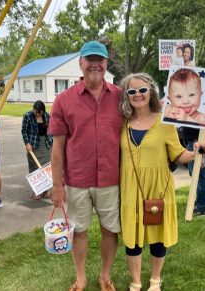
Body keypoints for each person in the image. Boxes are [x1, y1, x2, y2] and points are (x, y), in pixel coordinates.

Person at [119, 72, 205, 291]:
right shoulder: (121, 122)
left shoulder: (165, 121)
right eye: (132, 91)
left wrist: (197, 152)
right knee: (132, 237)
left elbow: (178, 155)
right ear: (126, 95)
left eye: (143, 89)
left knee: (157, 237)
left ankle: (154, 280)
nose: (138, 94)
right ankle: (135, 282)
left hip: (158, 188)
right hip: (130, 189)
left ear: (151, 91)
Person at [49, 40, 123, 291]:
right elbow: (57, 147)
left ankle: (105, 275)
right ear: (80, 63)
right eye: (90, 60)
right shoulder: (63, 100)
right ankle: (80, 277)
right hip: (77, 180)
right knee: (79, 231)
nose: (95, 65)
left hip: (111, 179)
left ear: (106, 64)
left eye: (99, 60)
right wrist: (56, 185)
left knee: (110, 230)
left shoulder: (121, 97)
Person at [21, 100, 53, 200]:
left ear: (43, 111)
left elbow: (51, 129)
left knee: (46, 168)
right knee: (34, 168)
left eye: (40, 112)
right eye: (36, 112)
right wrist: (27, 143)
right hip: (33, 145)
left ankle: (46, 190)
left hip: (46, 144)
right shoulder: (27, 116)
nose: (38, 114)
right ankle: (37, 191)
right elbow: (24, 131)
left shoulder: (47, 116)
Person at [182, 127, 205, 216]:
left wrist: (202, 154)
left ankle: (202, 208)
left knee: (199, 175)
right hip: (192, 143)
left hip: (198, 145)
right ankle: (200, 200)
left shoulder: (203, 115)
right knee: (194, 173)